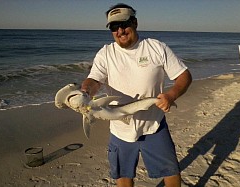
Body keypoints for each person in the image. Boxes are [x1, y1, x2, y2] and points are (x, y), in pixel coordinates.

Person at [81, 3, 192, 187]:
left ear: (135, 22)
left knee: (171, 173)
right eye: (114, 27)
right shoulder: (105, 54)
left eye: (124, 24)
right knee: (123, 177)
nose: (120, 31)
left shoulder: (156, 48)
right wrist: (85, 92)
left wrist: (171, 95)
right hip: (120, 130)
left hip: (154, 126)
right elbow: (94, 81)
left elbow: (184, 76)